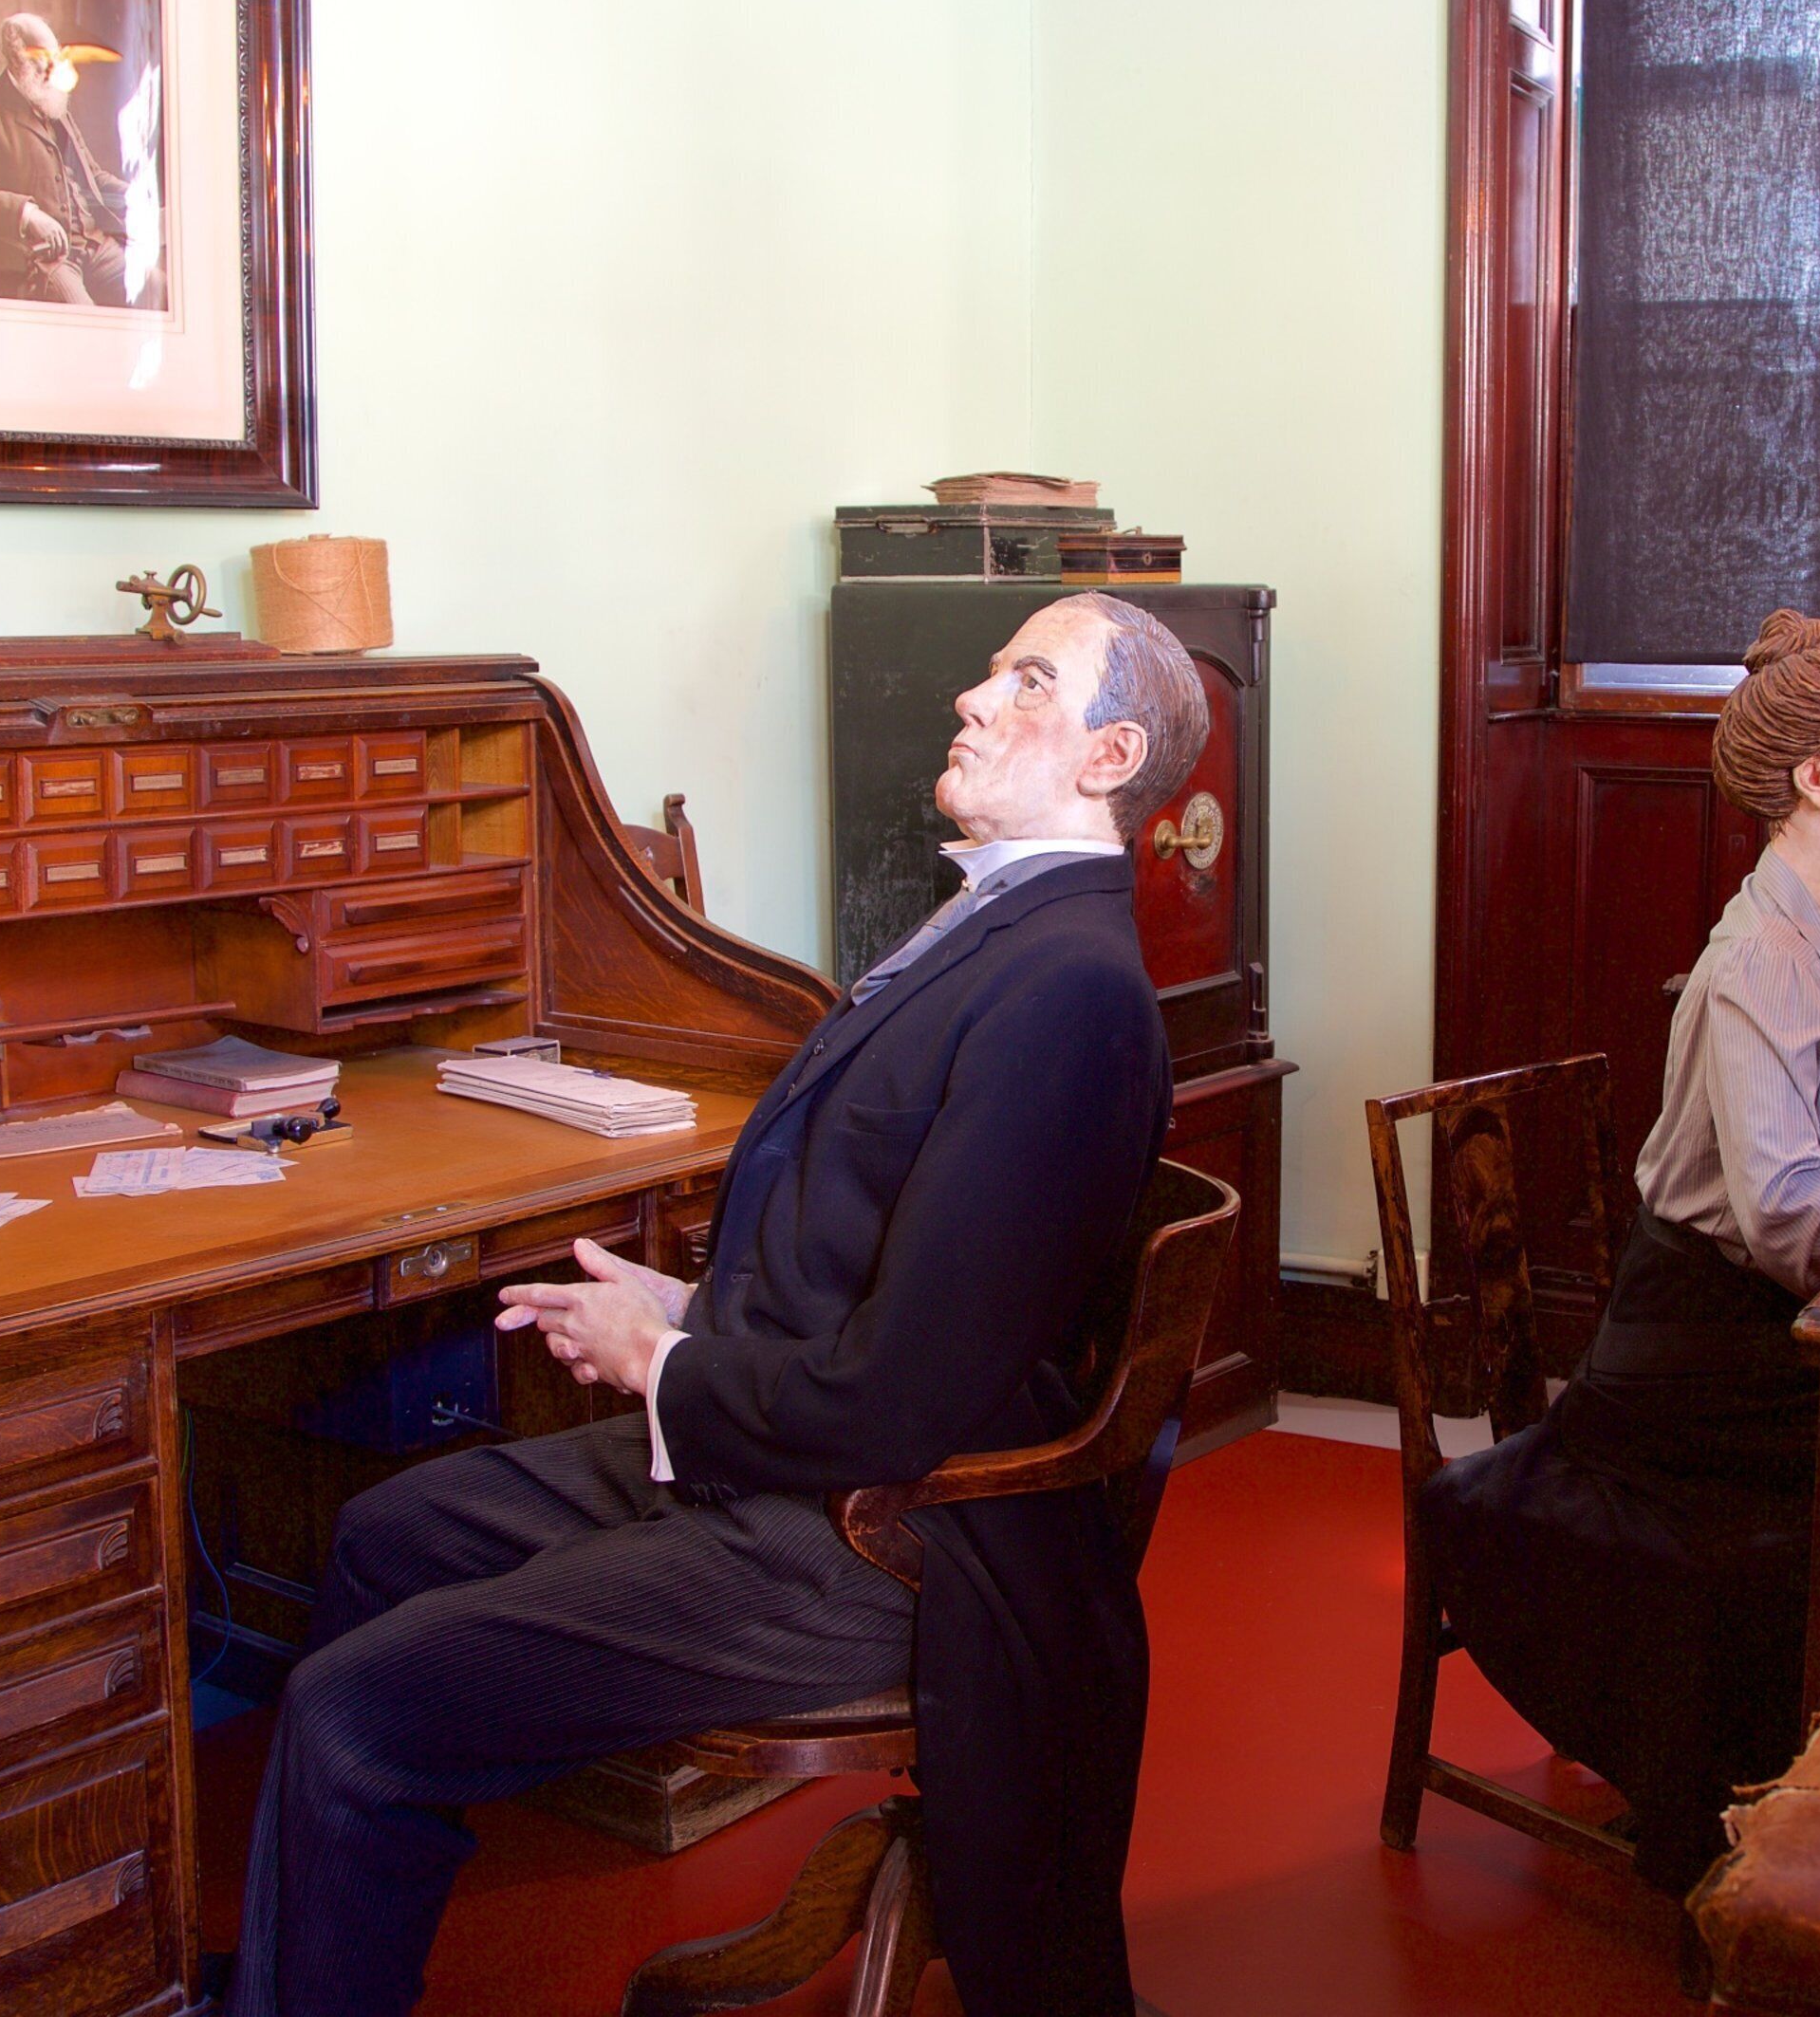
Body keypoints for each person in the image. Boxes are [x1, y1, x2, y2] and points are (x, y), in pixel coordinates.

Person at [225, 591, 1211, 2017]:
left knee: (345, 1710)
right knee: (389, 1533)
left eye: (1027, 683)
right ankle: (329, 1963)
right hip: (791, 1445)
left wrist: (670, 1362)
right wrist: (685, 1303)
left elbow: (907, 1399)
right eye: (991, 672)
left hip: (882, 1538)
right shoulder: (999, 934)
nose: (973, 699)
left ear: (1110, 757)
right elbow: (892, 1264)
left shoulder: (1069, 992)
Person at [1417, 608, 1820, 1894]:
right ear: (1813, 782)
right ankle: (1786, 1828)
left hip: (1751, 1359)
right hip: (1691, 1393)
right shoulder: (1756, 963)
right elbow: (1782, 1220)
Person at [0, 12, 159, 308]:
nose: (53, 68)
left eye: (55, 56)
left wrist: (140, 196)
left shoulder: (55, 109)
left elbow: (93, 176)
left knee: (159, 290)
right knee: (83, 322)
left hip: (95, 246)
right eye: (41, 59)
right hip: (43, 256)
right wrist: (26, 214)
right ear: (16, 60)